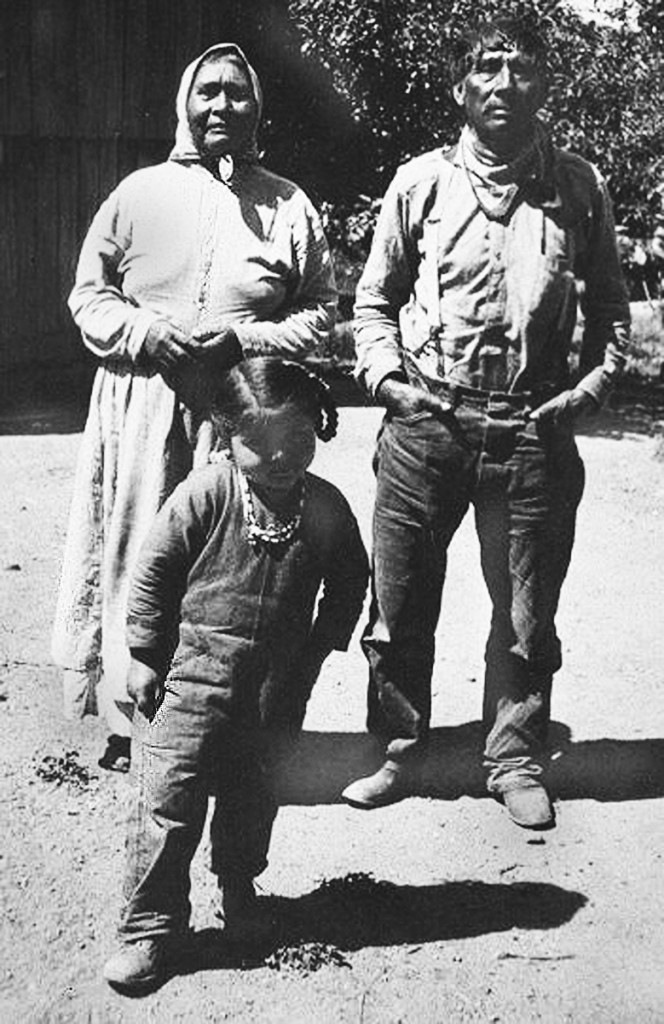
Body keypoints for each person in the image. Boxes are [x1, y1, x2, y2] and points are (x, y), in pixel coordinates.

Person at [342, 15, 630, 829]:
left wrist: (589, 393)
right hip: (428, 421)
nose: (505, 84)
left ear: (546, 83)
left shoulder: (579, 186)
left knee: (527, 613)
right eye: (487, 69)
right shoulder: (420, 182)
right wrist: (390, 380)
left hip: (535, 430)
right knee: (399, 603)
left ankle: (512, 758)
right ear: (459, 89)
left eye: (522, 68)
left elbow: (612, 312)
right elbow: (374, 302)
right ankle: (399, 751)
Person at [51, 44, 337, 771]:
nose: (220, 106)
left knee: (227, 559)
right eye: (206, 92)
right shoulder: (139, 193)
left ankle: (219, 717)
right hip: (144, 405)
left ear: (257, 107)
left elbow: (321, 314)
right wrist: (146, 333)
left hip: (243, 412)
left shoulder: (288, 206)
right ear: (185, 103)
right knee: (139, 548)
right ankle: (128, 709)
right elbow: (89, 294)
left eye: (236, 94)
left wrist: (242, 337)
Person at [102, 358, 368, 992]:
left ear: (320, 428)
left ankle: (239, 887)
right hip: (190, 680)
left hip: (276, 689)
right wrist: (143, 654)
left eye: (297, 440)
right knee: (169, 800)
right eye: (259, 443)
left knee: (254, 792)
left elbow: (352, 580)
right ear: (227, 437)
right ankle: (150, 928)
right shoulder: (206, 493)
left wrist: (319, 648)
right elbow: (155, 574)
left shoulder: (326, 507)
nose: (280, 458)